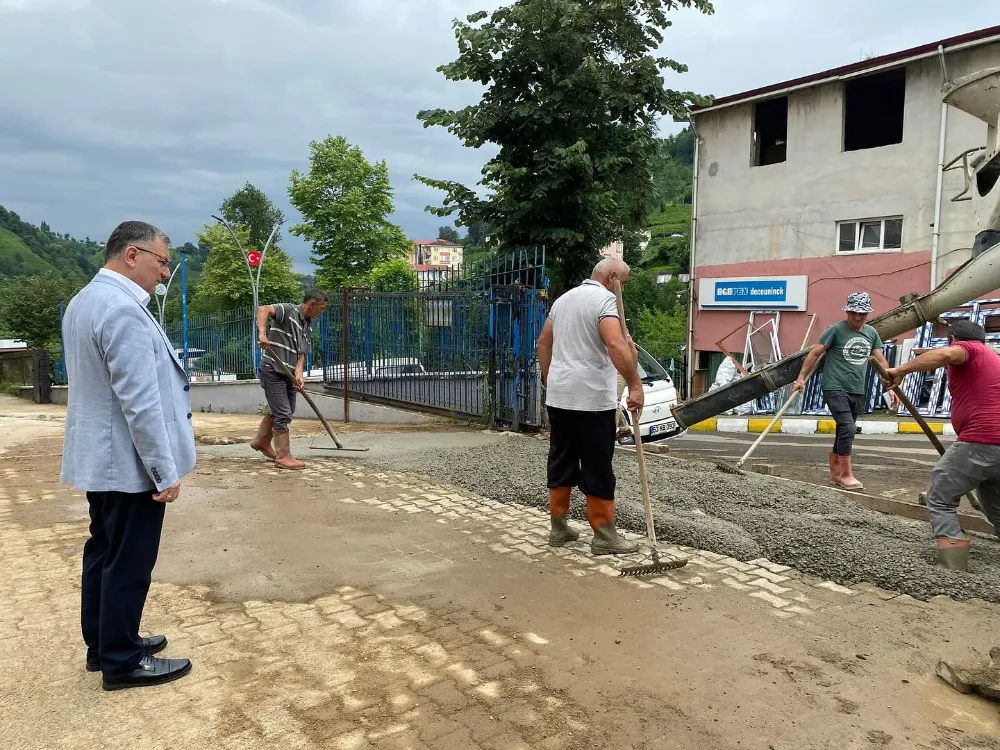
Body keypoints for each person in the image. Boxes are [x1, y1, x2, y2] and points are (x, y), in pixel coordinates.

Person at [60, 221, 195, 690]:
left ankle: (104, 643)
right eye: (162, 262)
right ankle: (122, 660)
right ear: (132, 255)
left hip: (103, 458)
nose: (165, 274)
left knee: (104, 550)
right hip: (128, 462)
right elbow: (140, 402)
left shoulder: (85, 301)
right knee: (129, 559)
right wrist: (163, 471)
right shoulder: (121, 310)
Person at [537, 258, 644, 555]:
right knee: (597, 462)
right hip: (591, 399)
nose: (625, 287)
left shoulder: (564, 300)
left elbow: (543, 343)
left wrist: (551, 378)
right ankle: (604, 535)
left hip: (560, 397)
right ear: (612, 278)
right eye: (625, 281)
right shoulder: (605, 300)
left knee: (561, 456)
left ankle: (559, 529)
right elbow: (614, 344)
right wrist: (635, 384)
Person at [882, 320, 1000, 571]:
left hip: (982, 439)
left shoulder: (967, 349)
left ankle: (952, 565)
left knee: (941, 496)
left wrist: (900, 370)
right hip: (995, 447)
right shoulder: (991, 356)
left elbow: (948, 353)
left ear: (954, 338)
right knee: (996, 506)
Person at [794, 292, 895, 491]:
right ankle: (846, 475)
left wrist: (890, 386)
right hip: (834, 386)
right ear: (848, 311)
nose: (858, 317)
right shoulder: (835, 331)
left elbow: (881, 362)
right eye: (855, 313)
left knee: (843, 429)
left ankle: (835, 473)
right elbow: (815, 353)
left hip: (857, 389)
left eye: (863, 314)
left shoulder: (871, 333)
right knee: (848, 428)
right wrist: (801, 378)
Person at [253, 289, 329, 469]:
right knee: (283, 413)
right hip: (272, 369)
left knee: (287, 410)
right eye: (321, 308)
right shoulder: (288, 311)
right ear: (311, 304)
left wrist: (299, 374)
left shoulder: (307, 326)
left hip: (288, 373)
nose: (322, 312)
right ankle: (283, 457)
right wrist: (262, 334)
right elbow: (263, 309)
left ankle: (261, 441)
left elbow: (301, 353)